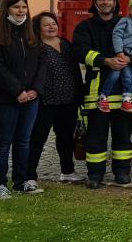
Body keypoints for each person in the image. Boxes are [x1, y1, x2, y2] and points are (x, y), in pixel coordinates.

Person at [0, 0, 45, 199]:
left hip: (31, 98)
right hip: (3, 99)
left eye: (24, 7)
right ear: (6, 8)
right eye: (16, 7)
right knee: (3, 141)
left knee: (23, 140)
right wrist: (17, 91)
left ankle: (21, 181)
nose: (20, 11)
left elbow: (41, 64)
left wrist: (35, 89)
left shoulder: (32, 33)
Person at [72, 0, 132, 188]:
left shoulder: (127, 24)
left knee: (123, 134)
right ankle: (95, 174)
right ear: (95, 2)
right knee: (96, 136)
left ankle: (122, 172)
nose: (105, 2)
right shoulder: (84, 27)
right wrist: (105, 60)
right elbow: (80, 52)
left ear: (115, 2)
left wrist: (130, 59)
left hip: (123, 90)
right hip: (97, 89)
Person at [26, 12, 84, 187]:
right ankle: (29, 175)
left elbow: (75, 70)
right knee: (38, 138)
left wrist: (80, 94)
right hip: (45, 101)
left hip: (69, 100)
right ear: (38, 28)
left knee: (66, 138)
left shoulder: (65, 44)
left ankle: (67, 171)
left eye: (53, 24)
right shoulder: (35, 47)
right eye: (46, 25)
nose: (52, 27)